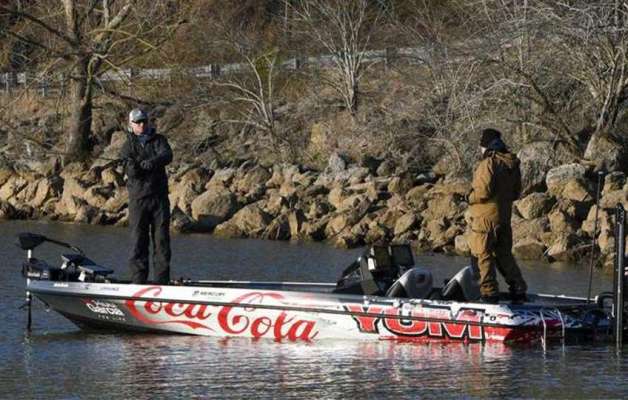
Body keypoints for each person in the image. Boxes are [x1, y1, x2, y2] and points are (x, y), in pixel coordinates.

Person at [467, 128, 527, 304]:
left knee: (482, 255)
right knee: (504, 255)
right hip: (504, 218)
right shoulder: (512, 164)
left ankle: (489, 294)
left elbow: (482, 192)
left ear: (486, 146)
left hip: (484, 219)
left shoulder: (488, 163)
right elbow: (516, 193)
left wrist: (468, 197)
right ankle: (518, 289)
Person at [119, 108, 173, 285]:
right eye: (138, 122)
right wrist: (136, 166)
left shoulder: (159, 140)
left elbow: (167, 155)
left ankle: (161, 281)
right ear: (131, 124)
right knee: (138, 241)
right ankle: (138, 281)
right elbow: (129, 170)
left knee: (162, 241)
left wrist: (152, 162)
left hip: (159, 198)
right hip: (139, 199)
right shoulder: (127, 146)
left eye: (144, 121)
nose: (142, 125)